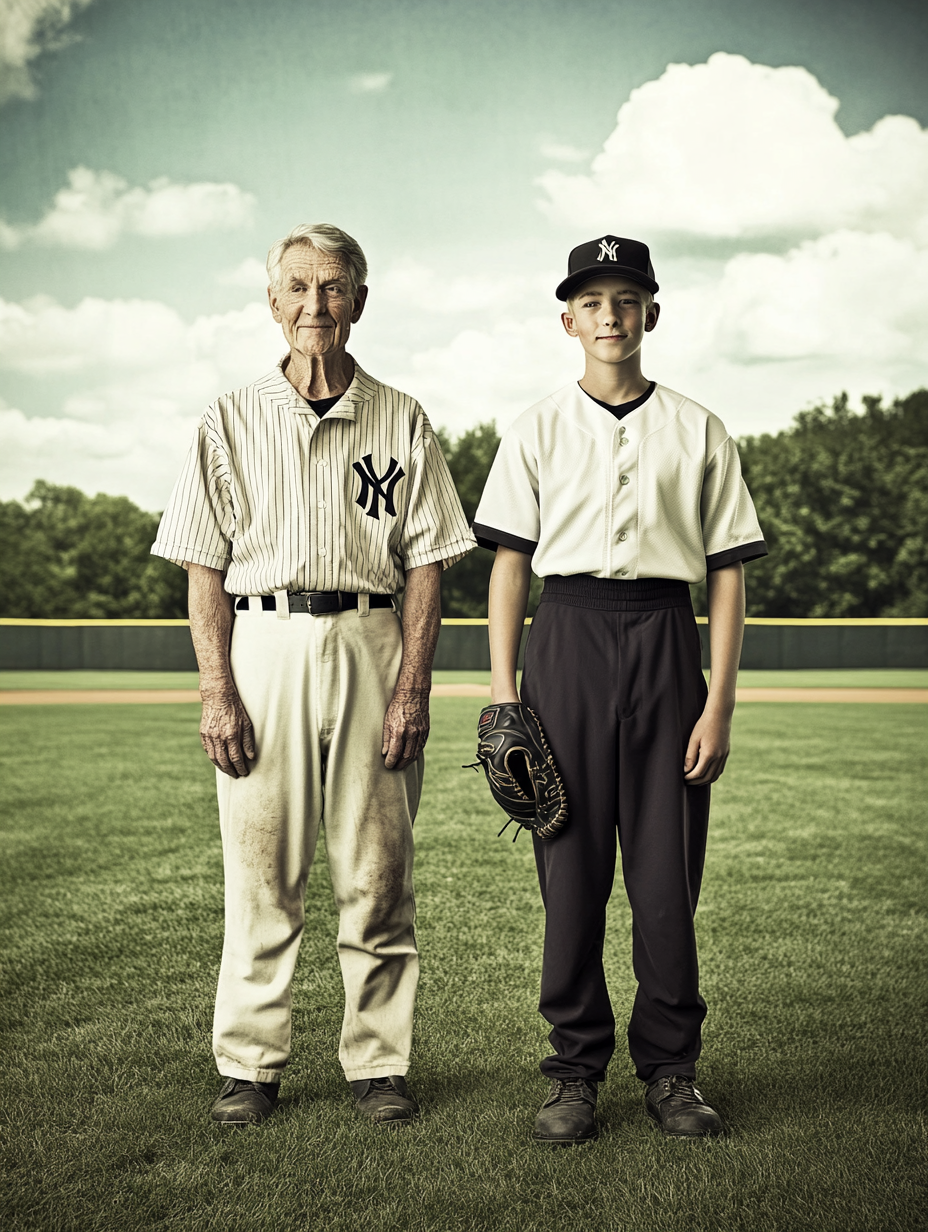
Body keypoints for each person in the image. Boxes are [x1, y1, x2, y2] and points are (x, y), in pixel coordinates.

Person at [152, 223, 475, 1126]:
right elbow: (201, 569)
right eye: (297, 287)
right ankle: (250, 1066)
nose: (314, 306)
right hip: (262, 645)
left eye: (333, 288)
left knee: (378, 869)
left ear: (360, 302)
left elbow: (428, 565)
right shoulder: (227, 416)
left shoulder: (401, 416)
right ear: (272, 302)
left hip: (373, 642)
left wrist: (414, 686)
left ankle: (379, 1064)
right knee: (262, 868)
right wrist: (216, 689)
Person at [473, 235, 767, 1145]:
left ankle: (673, 1071)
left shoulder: (699, 427)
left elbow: (726, 572)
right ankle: (572, 1072)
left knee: (665, 874)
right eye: (592, 300)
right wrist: (503, 697)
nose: (610, 314)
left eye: (626, 298)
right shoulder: (534, 426)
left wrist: (717, 701)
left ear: (651, 313)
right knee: (571, 872)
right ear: (569, 319)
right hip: (564, 637)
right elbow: (510, 569)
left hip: (664, 637)